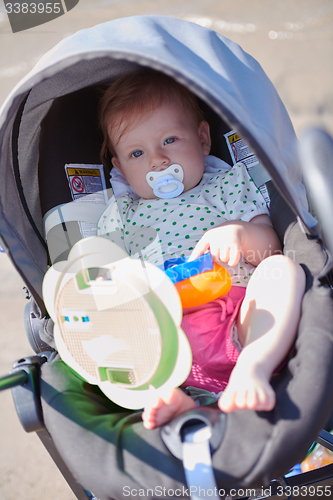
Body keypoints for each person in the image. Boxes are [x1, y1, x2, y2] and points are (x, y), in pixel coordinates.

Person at [97, 68, 305, 429]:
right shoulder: (121, 214)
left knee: (282, 271)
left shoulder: (225, 185)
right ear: (119, 167)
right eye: (136, 153)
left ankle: (253, 366)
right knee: (109, 322)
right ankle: (171, 395)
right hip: (163, 332)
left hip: (241, 315)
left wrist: (241, 234)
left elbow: (270, 249)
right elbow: (105, 269)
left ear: (203, 139)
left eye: (170, 140)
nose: (157, 161)